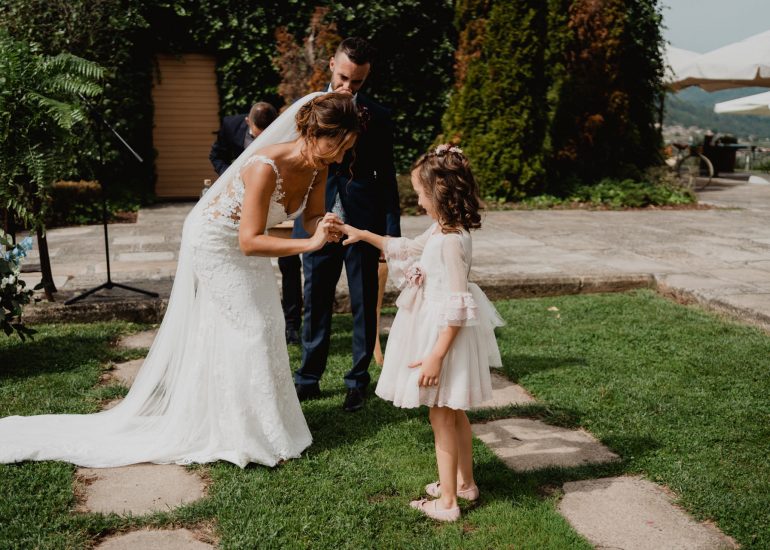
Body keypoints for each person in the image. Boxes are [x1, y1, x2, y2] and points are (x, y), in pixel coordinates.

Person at [0, 93, 358, 468]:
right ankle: (242, 434)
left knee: (266, 323)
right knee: (251, 326)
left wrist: (326, 224)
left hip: (245, 243)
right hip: (215, 242)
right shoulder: (264, 165)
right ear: (311, 130)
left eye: (346, 148)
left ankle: (258, 423)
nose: (338, 156)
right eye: (335, 145)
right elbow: (249, 241)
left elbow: (314, 215)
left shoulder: (318, 166)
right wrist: (311, 243)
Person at [337, 145, 504, 522]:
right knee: (453, 411)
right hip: (440, 328)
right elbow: (408, 248)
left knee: (440, 416)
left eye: (420, 193)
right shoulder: (444, 230)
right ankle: (465, 484)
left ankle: (447, 503)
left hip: (442, 335)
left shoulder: (448, 243)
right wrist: (361, 233)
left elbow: (459, 304)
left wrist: (435, 355)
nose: (418, 199)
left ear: (439, 194)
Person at [293, 36, 401, 412]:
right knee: (315, 303)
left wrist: (390, 235)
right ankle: (308, 378)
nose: (348, 88)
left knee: (363, 302)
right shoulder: (308, 108)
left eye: (357, 82)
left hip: (363, 224)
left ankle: (357, 381)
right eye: (343, 78)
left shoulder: (380, 116)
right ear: (330, 65)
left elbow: (386, 177)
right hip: (316, 220)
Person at [209, 101, 278, 176]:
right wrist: (230, 177)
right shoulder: (231, 125)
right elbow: (217, 156)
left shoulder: (283, 128)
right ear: (247, 121)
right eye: (256, 136)